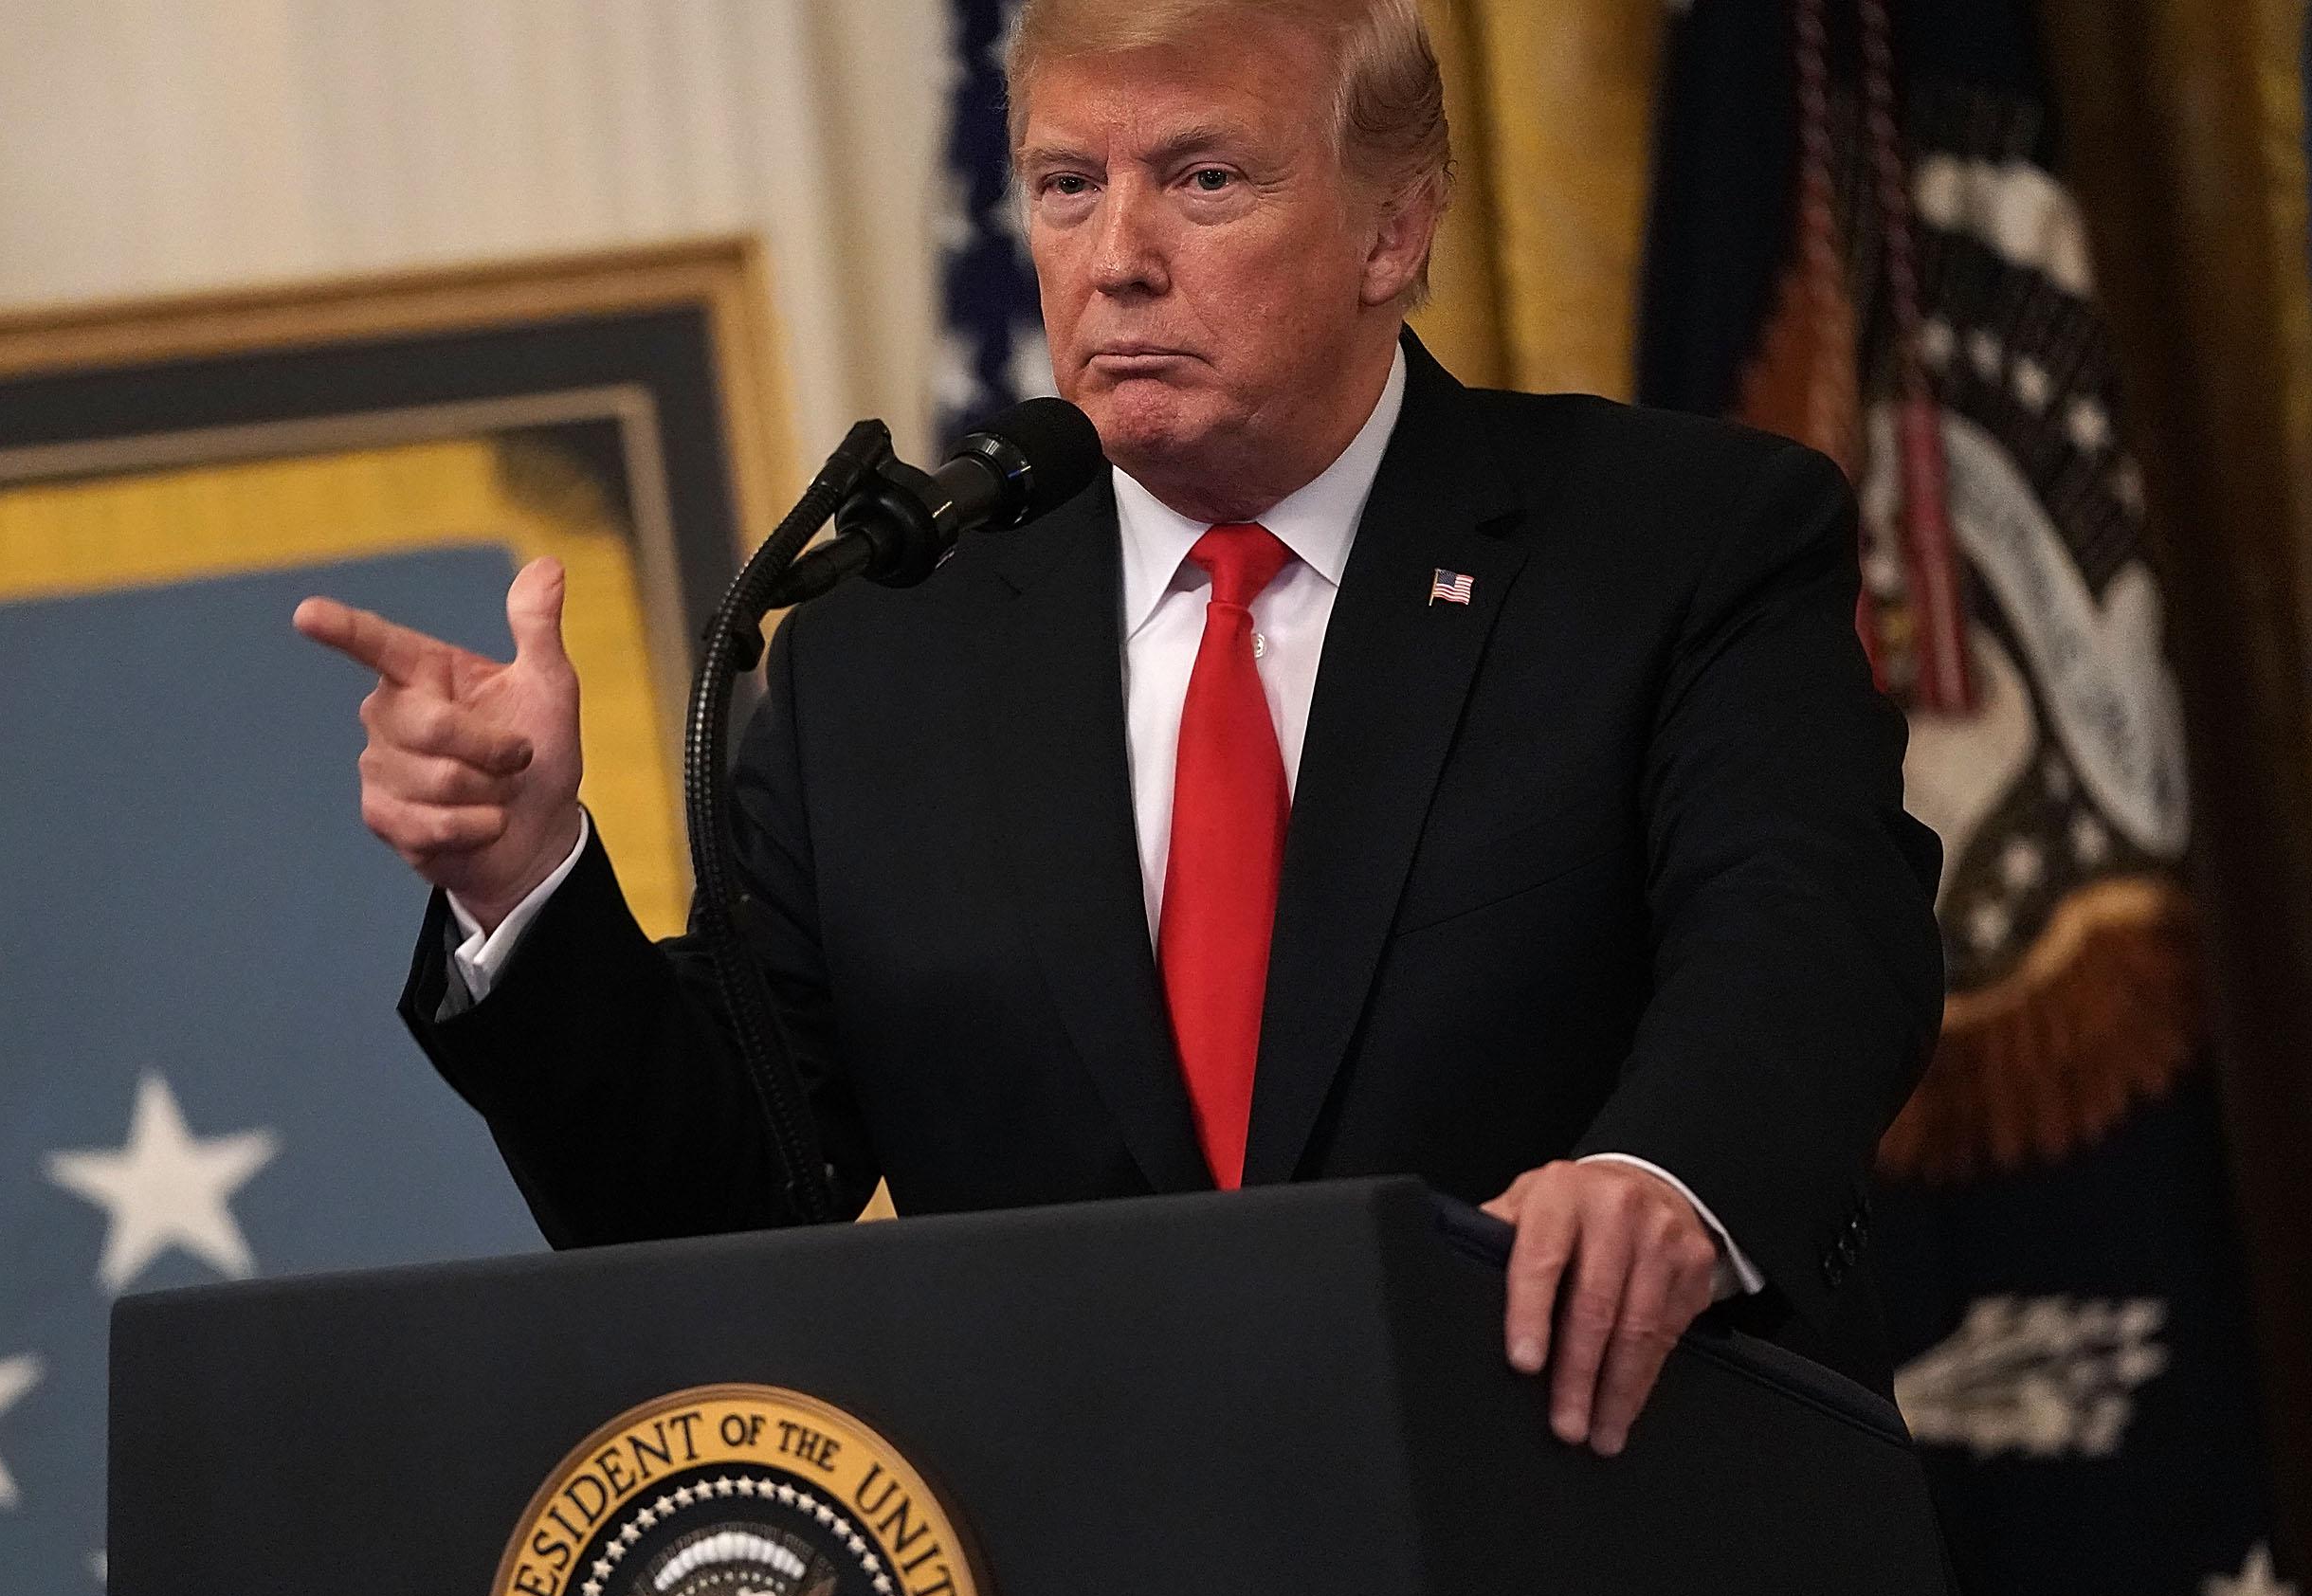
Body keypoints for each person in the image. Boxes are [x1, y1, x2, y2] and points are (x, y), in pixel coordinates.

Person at [294, 0, 1942, 1457]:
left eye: (1206, 179)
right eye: (1069, 184)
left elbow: (1807, 929)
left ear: (1394, 228)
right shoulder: (887, 648)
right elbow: (720, 1195)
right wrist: (525, 885)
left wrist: (1669, 1178)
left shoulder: (1676, 539)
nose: (1117, 253)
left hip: (1585, 1529)